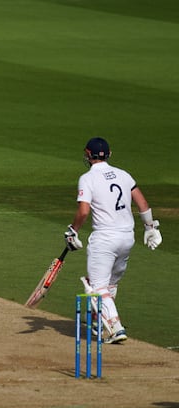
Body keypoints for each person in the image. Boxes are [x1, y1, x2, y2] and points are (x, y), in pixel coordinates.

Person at [63, 137, 162, 344]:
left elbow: (83, 211)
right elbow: (142, 203)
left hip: (105, 239)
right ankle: (101, 322)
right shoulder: (124, 175)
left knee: (97, 287)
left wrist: (73, 231)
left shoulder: (87, 178)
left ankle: (115, 327)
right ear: (109, 155)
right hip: (127, 237)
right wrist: (150, 227)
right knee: (110, 284)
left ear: (88, 155)